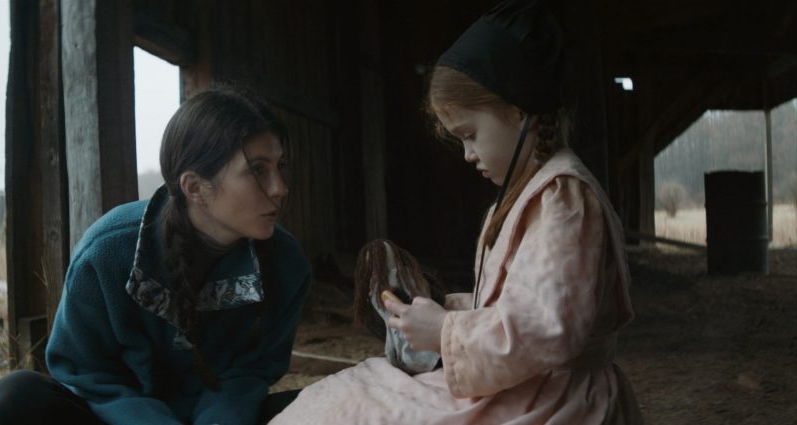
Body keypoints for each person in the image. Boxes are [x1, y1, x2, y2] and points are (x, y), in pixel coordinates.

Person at [270, 0, 642, 423]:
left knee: (353, 412)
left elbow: (547, 329)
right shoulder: (530, 193)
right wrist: (438, 308)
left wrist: (445, 331)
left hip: (554, 397)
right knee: (345, 396)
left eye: (470, 134)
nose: (467, 154)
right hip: (527, 384)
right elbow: (514, 305)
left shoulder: (564, 199)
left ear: (518, 110)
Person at [0, 87, 312, 425]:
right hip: (123, 419)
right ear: (195, 187)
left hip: (226, 418)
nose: (280, 188)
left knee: (335, 406)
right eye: (258, 170)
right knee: (19, 395)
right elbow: (85, 370)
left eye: (280, 166)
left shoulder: (286, 263)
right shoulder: (107, 251)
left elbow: (250, 373)